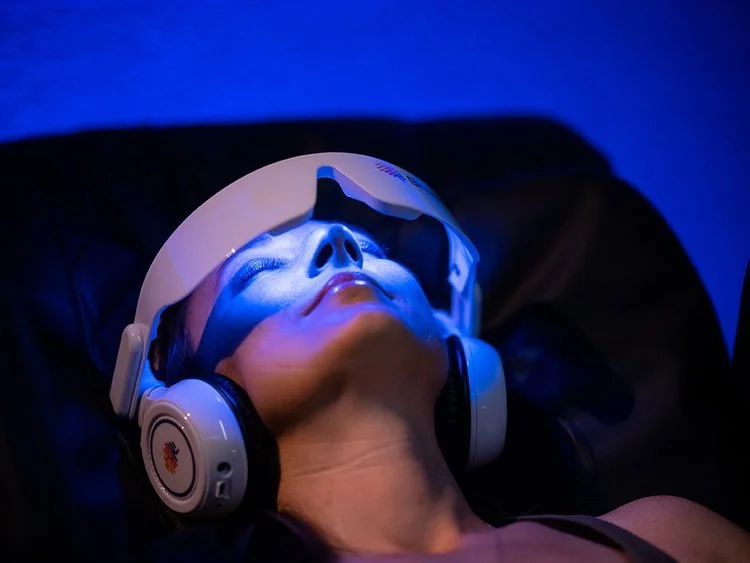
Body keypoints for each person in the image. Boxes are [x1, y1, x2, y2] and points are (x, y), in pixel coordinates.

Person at [113, 153, 750, 562]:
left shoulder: (673, 534)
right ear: (199, 413)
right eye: (260, 272)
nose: (338, 242)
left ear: (457, 350)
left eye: (370, 249)